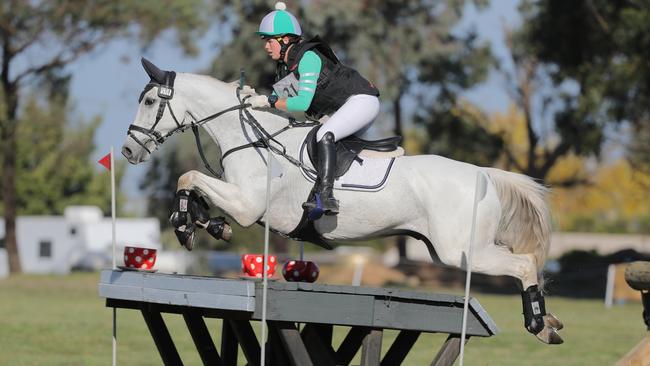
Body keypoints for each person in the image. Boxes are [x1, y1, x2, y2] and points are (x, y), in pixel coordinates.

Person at [242, 2, 380, 217]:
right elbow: (279, 100)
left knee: (325, 135)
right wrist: (250, 97)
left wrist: (267, 101)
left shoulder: (307, 58)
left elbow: (300, 104)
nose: (266, 47)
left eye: (269, 41)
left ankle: (326, 197)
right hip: (345, 107)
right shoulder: (287, 65)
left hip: (362, 101)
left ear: (284, 39)